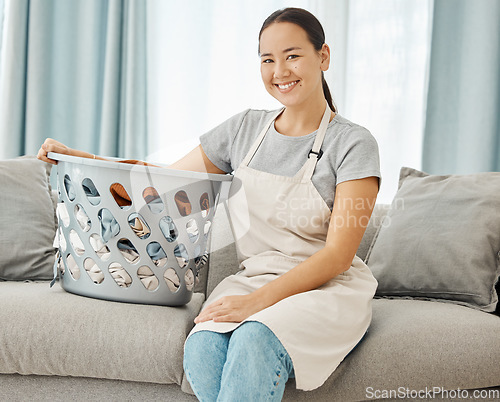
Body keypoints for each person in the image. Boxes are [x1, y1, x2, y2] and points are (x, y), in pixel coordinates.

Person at [38, 7, 381, 401]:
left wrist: (253, 305)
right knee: (201, 349)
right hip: (255, 277)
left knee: (256, 337)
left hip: (325, 289)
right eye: (267, 59)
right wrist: (84, 159)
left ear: (323, 57)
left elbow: (337, 256)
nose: (279, 71)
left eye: (292, 55)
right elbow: (162, 183)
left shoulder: (354, 144)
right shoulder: (244, 130)